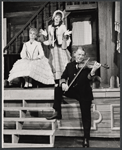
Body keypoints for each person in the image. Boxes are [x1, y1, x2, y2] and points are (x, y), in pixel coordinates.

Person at [46, 47, 101, 147]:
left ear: (84, 56)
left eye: (82, 55)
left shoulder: (87, 66)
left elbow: (89, 78)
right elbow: (63, 77)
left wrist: (93, 71)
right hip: (73, 91)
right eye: (78, 54)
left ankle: (86, 139)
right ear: (75, 54)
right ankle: (57, 112)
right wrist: (63, 84)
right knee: (57, 87)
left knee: (86, 116)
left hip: (84, 92)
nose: (80, 57)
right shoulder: (69, 65)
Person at [41, 10, 72, 84]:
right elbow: (49, 38)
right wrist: (45, 35)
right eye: (56, 17)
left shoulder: (63, 26)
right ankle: (56, 81)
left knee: (63, 62)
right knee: (54, 63)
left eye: (59, 17)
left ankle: (64, 80)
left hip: (60, 47)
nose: (57, 18)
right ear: (53, 17)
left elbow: (66, 37)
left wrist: (66, 36)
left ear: (61, 19)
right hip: (53, 48)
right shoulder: (50, 27)